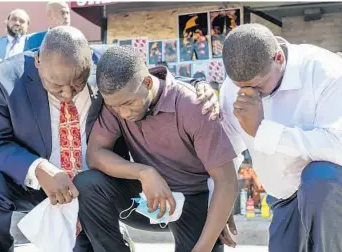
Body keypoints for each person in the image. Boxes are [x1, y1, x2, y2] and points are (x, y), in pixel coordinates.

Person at [0, 26, 218, 252]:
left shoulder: (107, 60)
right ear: (38, 62)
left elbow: (151, 83)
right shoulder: (4, 80)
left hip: (97, 186)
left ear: (89, 62)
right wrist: (38, 168)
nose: (66, 94)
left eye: (77, 84)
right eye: (56, 86)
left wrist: (199, 86)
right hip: (39, 186)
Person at [75, 46, 239, 252]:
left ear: (147, 81)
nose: (123, 113)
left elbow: (227, 182)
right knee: (87, 184)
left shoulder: (194, 105)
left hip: (193, 200)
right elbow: (95, 155)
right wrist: (144, 173)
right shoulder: (117, 101)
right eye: (116, 108)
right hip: (147, 196)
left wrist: (203, 248)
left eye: (129, 103)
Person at [219, 23, 342, 252]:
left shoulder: (326, 71)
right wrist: (220, 202)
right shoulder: (230, 89)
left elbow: (338, 147)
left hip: (332, 194)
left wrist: (263, 131)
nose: (249, 94)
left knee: (320, 178)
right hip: (283, 197)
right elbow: (226, 151)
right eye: (240, 87)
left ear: (278, 58)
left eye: (257, 85)